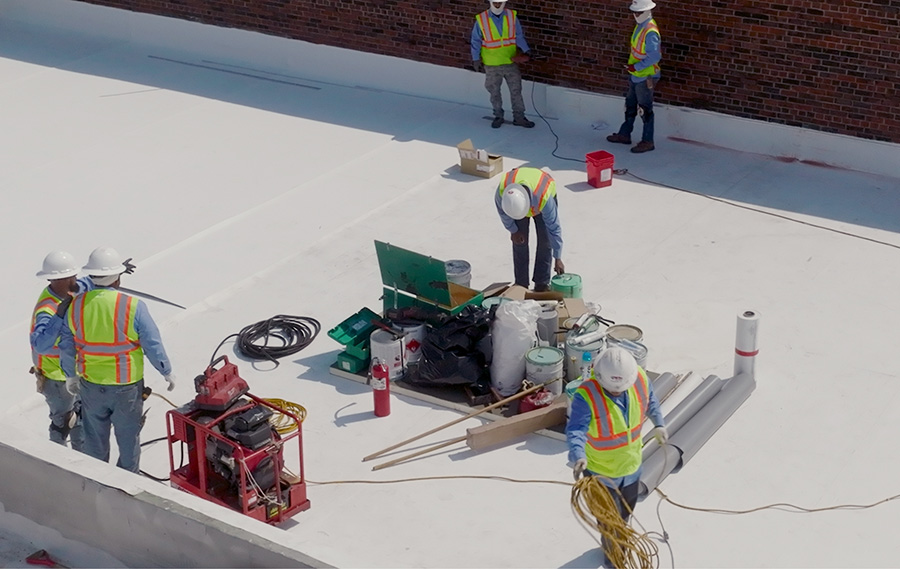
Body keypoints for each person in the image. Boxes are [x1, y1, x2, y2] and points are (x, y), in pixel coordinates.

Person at [58, 246, 175, 473]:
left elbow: (66, 345)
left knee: (94, 440)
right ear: (117, 278)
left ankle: (98, 482)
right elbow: (152, 343)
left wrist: (70, 375)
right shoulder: (134, 306)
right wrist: (166, 371)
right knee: (128, 440)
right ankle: (127, 485)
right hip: (126, 388)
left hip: (91, 386)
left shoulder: (76, 307)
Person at [566, 346, 668, 567]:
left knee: (624, 516)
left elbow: (651, 400)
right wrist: (578, 455)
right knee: (609, 522)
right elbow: (576, 430)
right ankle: (614, 559)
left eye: (619, 388)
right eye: (611, 388)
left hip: (631, 469)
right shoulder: (587, 395)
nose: (615, 391)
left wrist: (659, 423)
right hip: (601, 474)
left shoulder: (638, 378)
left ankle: (616, 544)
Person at [30, 251, 96, 451]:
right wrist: (59, 317)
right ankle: (59, 463)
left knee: (80, 419)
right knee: (62, 424)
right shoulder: (48, 309)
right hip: (56, 379)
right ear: (57, 279)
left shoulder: (66, 291)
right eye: (71, 277)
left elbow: (84, 285)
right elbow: (40, 344)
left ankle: (83, 462)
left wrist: (109, 273)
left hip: (70, 373)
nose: (75, 280)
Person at [494, 166, 564, 291]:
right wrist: (513, 230)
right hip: (520, 200)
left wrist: (557, 257)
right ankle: (521, 285)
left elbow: (553, 228)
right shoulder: (503, 194)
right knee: (519, 241)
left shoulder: (544, 198)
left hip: (540, 197)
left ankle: (541, 283)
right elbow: (503, 214)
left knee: (545, 241)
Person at [606, 0, 662, 154]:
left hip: (645, 76)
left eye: (638, 12)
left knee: (645, 110)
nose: (635, 15)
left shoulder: (650, 31)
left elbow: (654, 57)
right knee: (630, 105)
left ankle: (647, 141)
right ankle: (625, 134)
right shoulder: (641, 26)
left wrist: (636, 67)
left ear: (647, 11)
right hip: (636, 74)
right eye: (634, 12)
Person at [471, 0, 535, 129]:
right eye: (495, 3)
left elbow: (518, 36)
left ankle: (519, 117)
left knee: (516, 91)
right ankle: (498, 116)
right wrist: (475, 58)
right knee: (494, 92)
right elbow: (476, 40)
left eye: (500, 3)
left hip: (510, 61)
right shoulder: (482, 19)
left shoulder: (512, 17)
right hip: (492, 63)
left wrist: (526, 49)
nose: (498, 5)